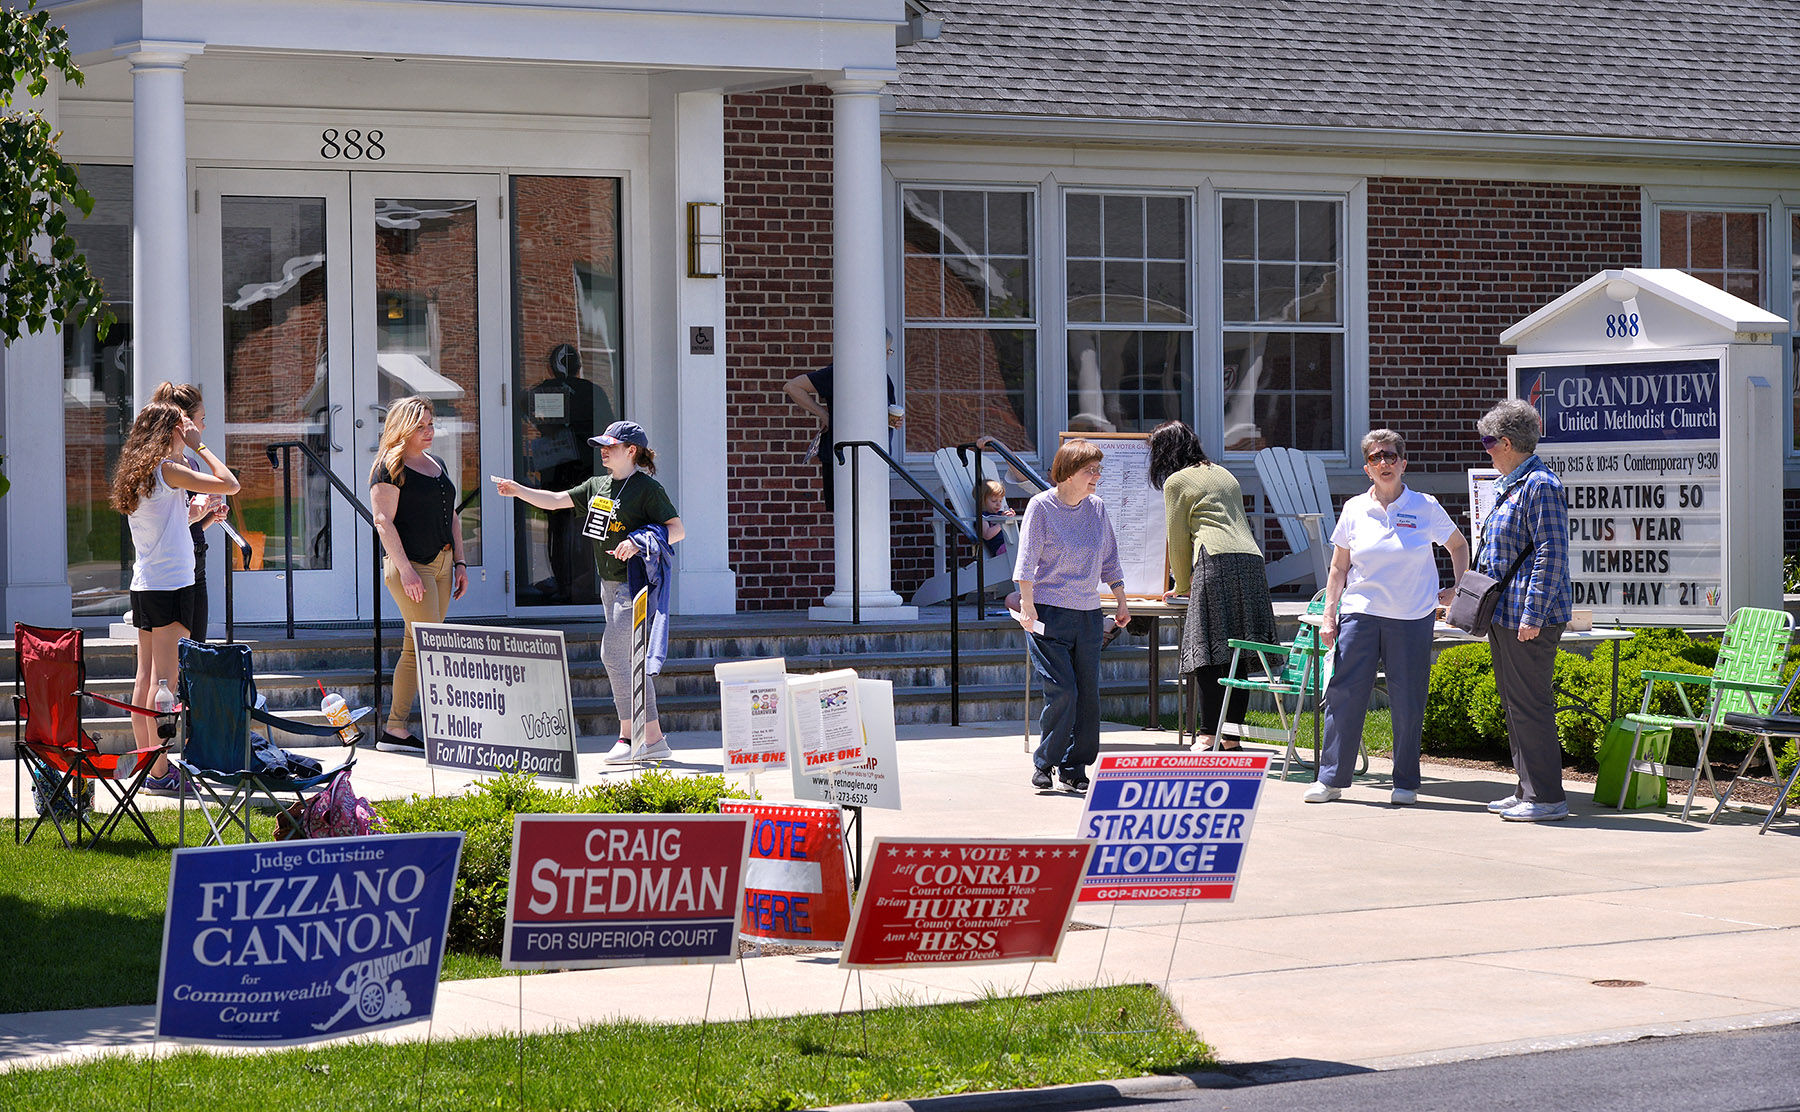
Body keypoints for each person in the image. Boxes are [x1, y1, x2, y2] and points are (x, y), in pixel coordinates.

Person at [495, 420, 685, 763]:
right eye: (602, 446)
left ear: (631, 451)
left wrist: (638, 541)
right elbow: (554, 501)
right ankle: (654, 739)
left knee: (613, 655)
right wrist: (518, 490)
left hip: (635, 583)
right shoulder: (598, 484)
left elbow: (677, 530)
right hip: (608, 585)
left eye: (610, 447)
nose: (604, 452)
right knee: (629, 659)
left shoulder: (647, 489)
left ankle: (628, 735)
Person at [1307, 430, 1469, 806]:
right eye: (1377, 458)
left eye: (1391, 456)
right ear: (1367, 468)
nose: (1385, 463)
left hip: (1413, 616)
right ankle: (1330, 779)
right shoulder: (1353, 510)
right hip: (1361, 614)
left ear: (1403, 463)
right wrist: (1329, 614)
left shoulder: (1425, 506)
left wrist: (1460, 590)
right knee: (1344, 694)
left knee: (1408, 700)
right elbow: (1337, 568)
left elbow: (1458, 546)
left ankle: (1406, 782)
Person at [109, 401, 240, 792]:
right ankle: (161, 774)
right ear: (169, 433)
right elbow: (229, 482)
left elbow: (168, 525)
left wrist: (199, 517)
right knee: (165, 683)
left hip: (147, 583)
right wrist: (202, 447)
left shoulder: (142, 472)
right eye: (184, 429)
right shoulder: (168, 468)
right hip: (170, 585)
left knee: (146, 677)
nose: (189, 433)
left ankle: (152, 766)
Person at [1148, 420, 1277, 752]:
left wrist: (1182, 584)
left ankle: (1207, 734)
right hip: (1251, 562)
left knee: (1204, 651)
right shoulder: (1223, 473)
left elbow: (1177, 541)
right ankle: (1231, 736)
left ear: (1165, 452)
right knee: (1239, 653)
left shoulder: (1176, 482)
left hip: (1214, 561)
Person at [1474, 399, 1573, 822]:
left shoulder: (1541, 485)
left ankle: (1547, 798)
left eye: (1488, 442)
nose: (1486, 449)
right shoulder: (1514, 484)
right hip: (1505, 615)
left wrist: (1533, 615)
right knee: (1516, 705)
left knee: (1530, 705)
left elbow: (1552, 554)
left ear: (1508, 442)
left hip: (1526, 618)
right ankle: (1527, 789)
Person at [1013, 439, 1130, 793]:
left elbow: (1109, 558)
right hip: (1048, 612)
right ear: (1066, 473)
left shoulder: (1097, 508)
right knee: (1063, 691)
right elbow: (1026, 561)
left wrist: (1121, 600)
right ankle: (1046, 762)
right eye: (1089, 470)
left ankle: (1075, 766)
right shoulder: (1041, 507)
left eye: (1098, 469)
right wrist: (1027, 604)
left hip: (1088, 616)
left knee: (1088, 696)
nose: (1097, 476)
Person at [369, 396, 467, 752]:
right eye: (421, 426)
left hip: (441, 564)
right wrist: (407, 571)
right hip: (411, 567)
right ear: (403, 427)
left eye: (431, 424)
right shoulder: (389, 467)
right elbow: (383, 521)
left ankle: (395, 729)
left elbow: (452, 515)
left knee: (417, 647)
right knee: (432, 647)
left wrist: (460, 562)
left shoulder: (436, 463)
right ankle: (448, 728)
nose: (429, 431)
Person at [783, 331, 903, 506]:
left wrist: (893, 421)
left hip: (876, 459)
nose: (887, 356)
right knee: (845, 513)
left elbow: (884, 412)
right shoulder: (841, 373)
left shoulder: (883, 378)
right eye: (886, 351)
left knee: (871, 511)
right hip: (841, 457)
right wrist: (824, 415)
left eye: (889, 351)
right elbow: (792, 387)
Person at [149, 381, 229, 640]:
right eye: (201, 419)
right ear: (185, 423)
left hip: (197, 560)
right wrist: (200, 446)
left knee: (197, 646)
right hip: (173, 566)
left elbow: (187, 523)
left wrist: (207, 518)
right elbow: (161, 527)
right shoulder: (163, 467)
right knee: (177, 654)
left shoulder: (189, 463)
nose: (204, 426)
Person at [978, 478, 1013, 557]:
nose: (998, 504)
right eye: (994, 501)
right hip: (1001, 549)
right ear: (982, 500)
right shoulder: (983, 517)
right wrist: (1002, 523)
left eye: (1000, 501)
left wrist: (1010, 518)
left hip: (1011, 545)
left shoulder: (1001, 514)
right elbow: (987, 535)